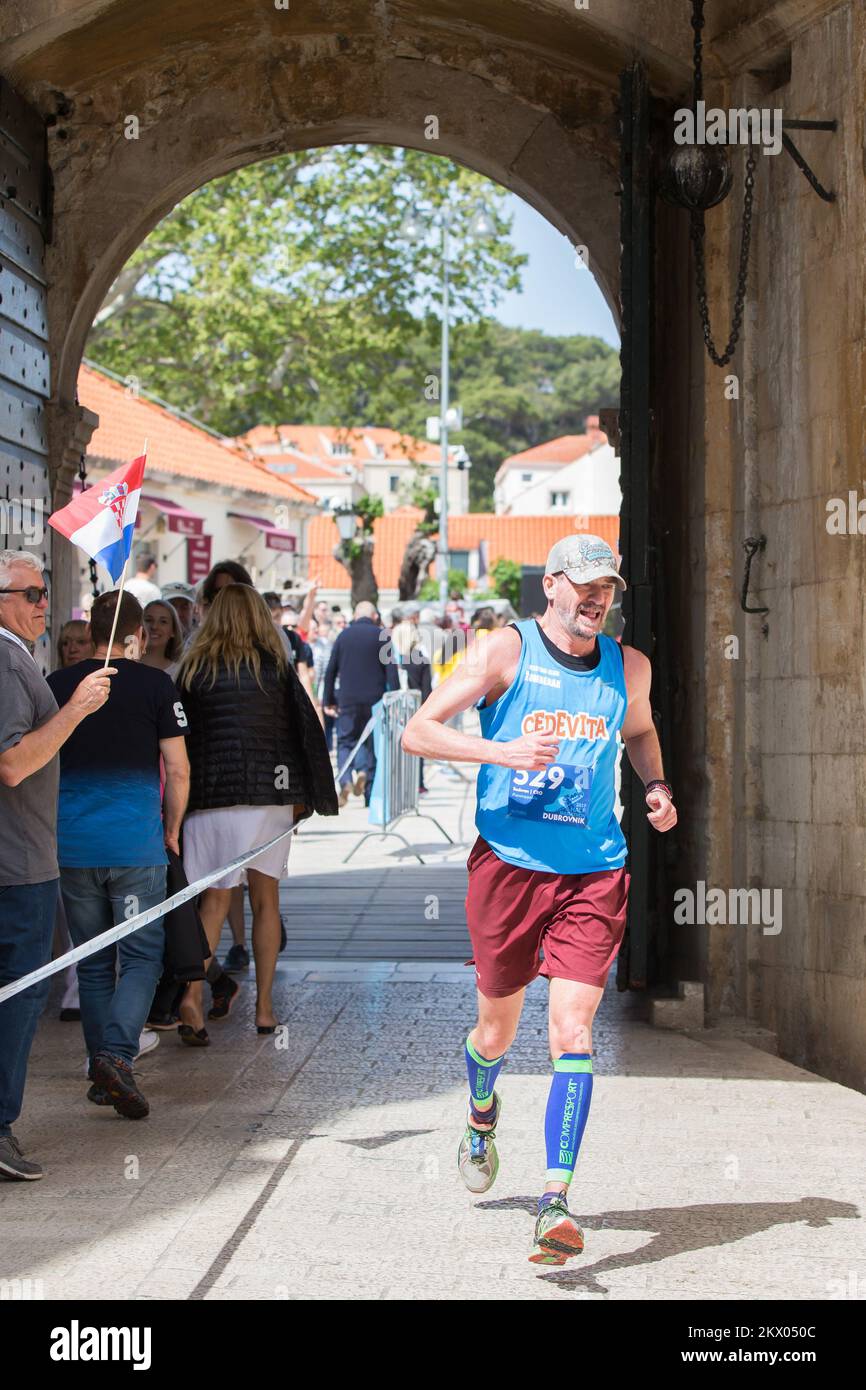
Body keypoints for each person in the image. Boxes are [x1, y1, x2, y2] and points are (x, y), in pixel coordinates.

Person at [402, 534, 678, 1265]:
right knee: (495, 1031)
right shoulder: (502, 652)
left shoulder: (630, 667)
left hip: (594, 871)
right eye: (583, 584)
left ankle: (554, 1201)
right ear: (551, 584)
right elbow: (416, 730)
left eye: (607, 587)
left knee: (572, 1032)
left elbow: (641, 732)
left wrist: (654, 787)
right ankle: (481, 1113)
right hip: (510, 868)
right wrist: (500, 751)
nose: (596, 598)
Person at [47, 590, 190, 1121]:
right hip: (135, 846)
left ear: (90, 630)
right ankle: (115, 1056)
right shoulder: (156, 684)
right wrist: (172, 826)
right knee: (140, 957)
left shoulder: (57, 684)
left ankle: (100, 1071)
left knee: (93, 963)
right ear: (139, 635)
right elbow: (177, 769)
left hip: (73, 845)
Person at [176, 584, 336, 1035]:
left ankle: (191, 997)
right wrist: (307, 798)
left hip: (210, 799)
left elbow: (178, 741)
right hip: (269, 798)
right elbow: (304, 734)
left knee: (214, 901)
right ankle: (264, 1010)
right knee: (266, 902)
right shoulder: (275, 669)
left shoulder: (193, 671)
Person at [0, 550, 114, 1178]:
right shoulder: (4, 660)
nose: (44, 603)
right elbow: (13, 762)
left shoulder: (18, 658)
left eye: (45, 591)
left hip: (24, 856)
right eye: (30, 593)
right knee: (18, 998)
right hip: (15, 865)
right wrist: (75, 711)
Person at [323, 600, 400, 808]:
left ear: (355, 616)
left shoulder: (343, 636)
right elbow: (391, 671)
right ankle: (367, 783)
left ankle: (346, 780)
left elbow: (330, 671)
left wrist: (328, 699)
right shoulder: (381, 636)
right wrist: (394, 698)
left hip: (347, 698)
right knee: (370, 742)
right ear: (375, 616)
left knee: (346, 741)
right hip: (374, 700)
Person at [141, 599, 185, 677]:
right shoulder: (125, 666)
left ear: (173, 631)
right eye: (149, 620)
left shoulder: (180, 673)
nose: (154, 626)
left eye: (163, 622)